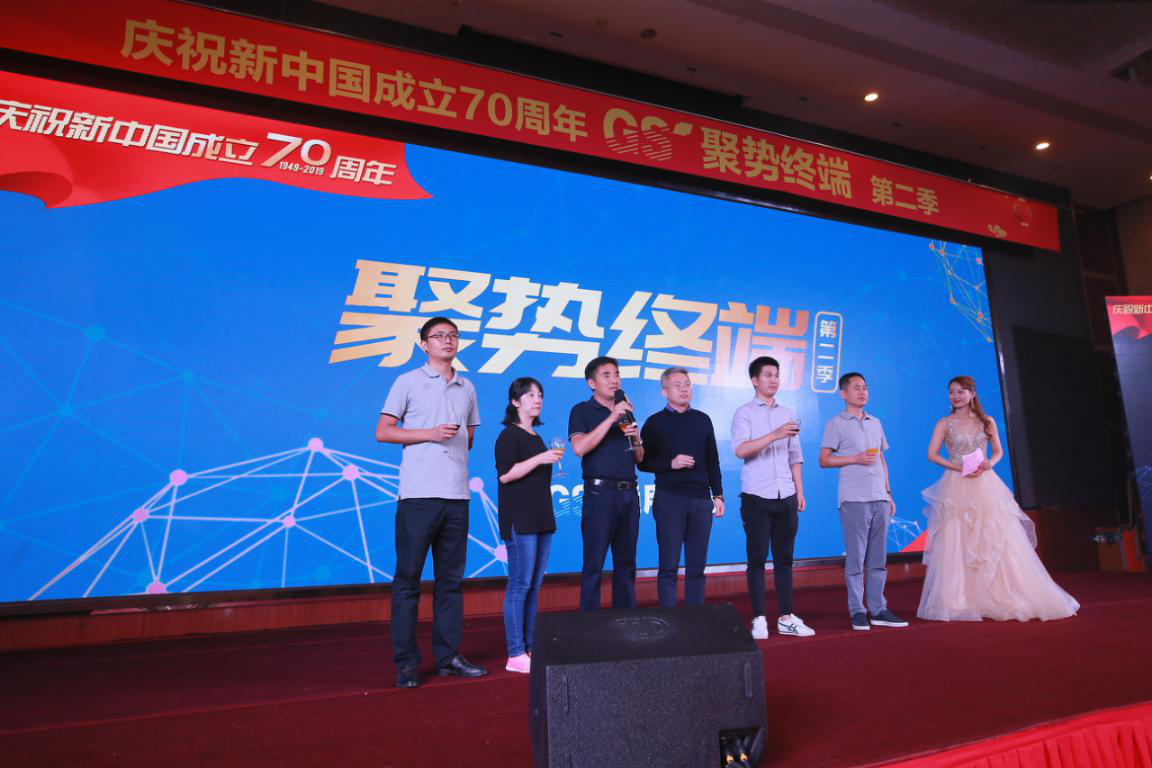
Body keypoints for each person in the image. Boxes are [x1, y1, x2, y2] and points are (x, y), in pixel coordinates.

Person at [376, 316, 487, 688]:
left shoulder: (467, 386)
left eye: (453, 335)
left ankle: (448, 657)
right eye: (439, 336)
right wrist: (430, 434)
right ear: (423, 344)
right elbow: (383, 431)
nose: (447, 341)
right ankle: (406, 664)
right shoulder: (407, 381)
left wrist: (449, 439)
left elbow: (470, 436)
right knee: (408, 582)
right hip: (418, 495)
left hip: (457, 496)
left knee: (450, 583)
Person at [917, 375, 1079, 622]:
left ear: (972, 394)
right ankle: (959, 599)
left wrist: (989, 464)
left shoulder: (987, 421)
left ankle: (1001, 593)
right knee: (958, 538)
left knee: (994, 536)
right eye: (951, 392)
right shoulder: (944, 423)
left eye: (961, 391)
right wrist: (958, 467)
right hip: (957, 484)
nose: (955, 396)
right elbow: (932, 454)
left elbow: (998, 451)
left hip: (985, 483)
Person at [730, 356, 814, 639]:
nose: (774, 379)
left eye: (776, 375)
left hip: (786, 493)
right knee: (756, 558)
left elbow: (795, 456)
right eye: (767, 375)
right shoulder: (744, 413)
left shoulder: (787, 412)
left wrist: (799, 490)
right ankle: (759, 618)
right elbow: (741, 450)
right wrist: (775, 434)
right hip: (757, 494)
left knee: (785, 558)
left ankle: (787, 617)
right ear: (754, 380)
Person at [818, 372, 909, 631]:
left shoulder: (875, 422)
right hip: (854, 499)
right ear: (843, 393)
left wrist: (888, 493)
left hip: (879, 497)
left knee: (878, 560)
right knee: (856, 561)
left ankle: (878, 609)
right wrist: (854, 458)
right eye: (856, 388)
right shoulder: (836, 423)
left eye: (865, 388)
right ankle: (858, 611)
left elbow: (882, 459)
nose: (862, 392)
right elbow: (824, 460)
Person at [638, 367, 724, 607]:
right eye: (677, 385)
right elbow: (642, 463)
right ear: (665, 391)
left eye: (687, 384)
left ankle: (695, 618)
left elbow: (713, 461)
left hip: (701, 500)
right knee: (668, 566)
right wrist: (671, 463)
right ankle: (669, 620)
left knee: (697, 567)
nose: (684, 389)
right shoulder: (654, 423)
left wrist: (718, 494)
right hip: (670, 499)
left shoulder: (703, 420)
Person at [495, 377, 562, 674]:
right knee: (519, 585)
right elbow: (506, 475)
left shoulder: (535, 436)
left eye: (540, 395)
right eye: (530, 395)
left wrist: (543, 458)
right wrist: (540, 459)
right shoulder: (509, 435)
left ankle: (530, 646)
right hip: (520, 519)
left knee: (534, 585)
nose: (537, 400)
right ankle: (515, 652)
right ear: (515, 401)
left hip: (541, 517)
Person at [569, 356, 644, 611]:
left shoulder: (626, 411)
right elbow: (579, 447)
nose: (614, 380)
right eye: (607, 375)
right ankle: (590, 624)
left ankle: (626, 619)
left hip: (629, 494)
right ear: (591, 383)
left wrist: (637, 438)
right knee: (594, 563)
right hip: (600, 495)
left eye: (616, 374)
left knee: (626, 563)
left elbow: (639, 458)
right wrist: (612, 418)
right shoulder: (581, 410)